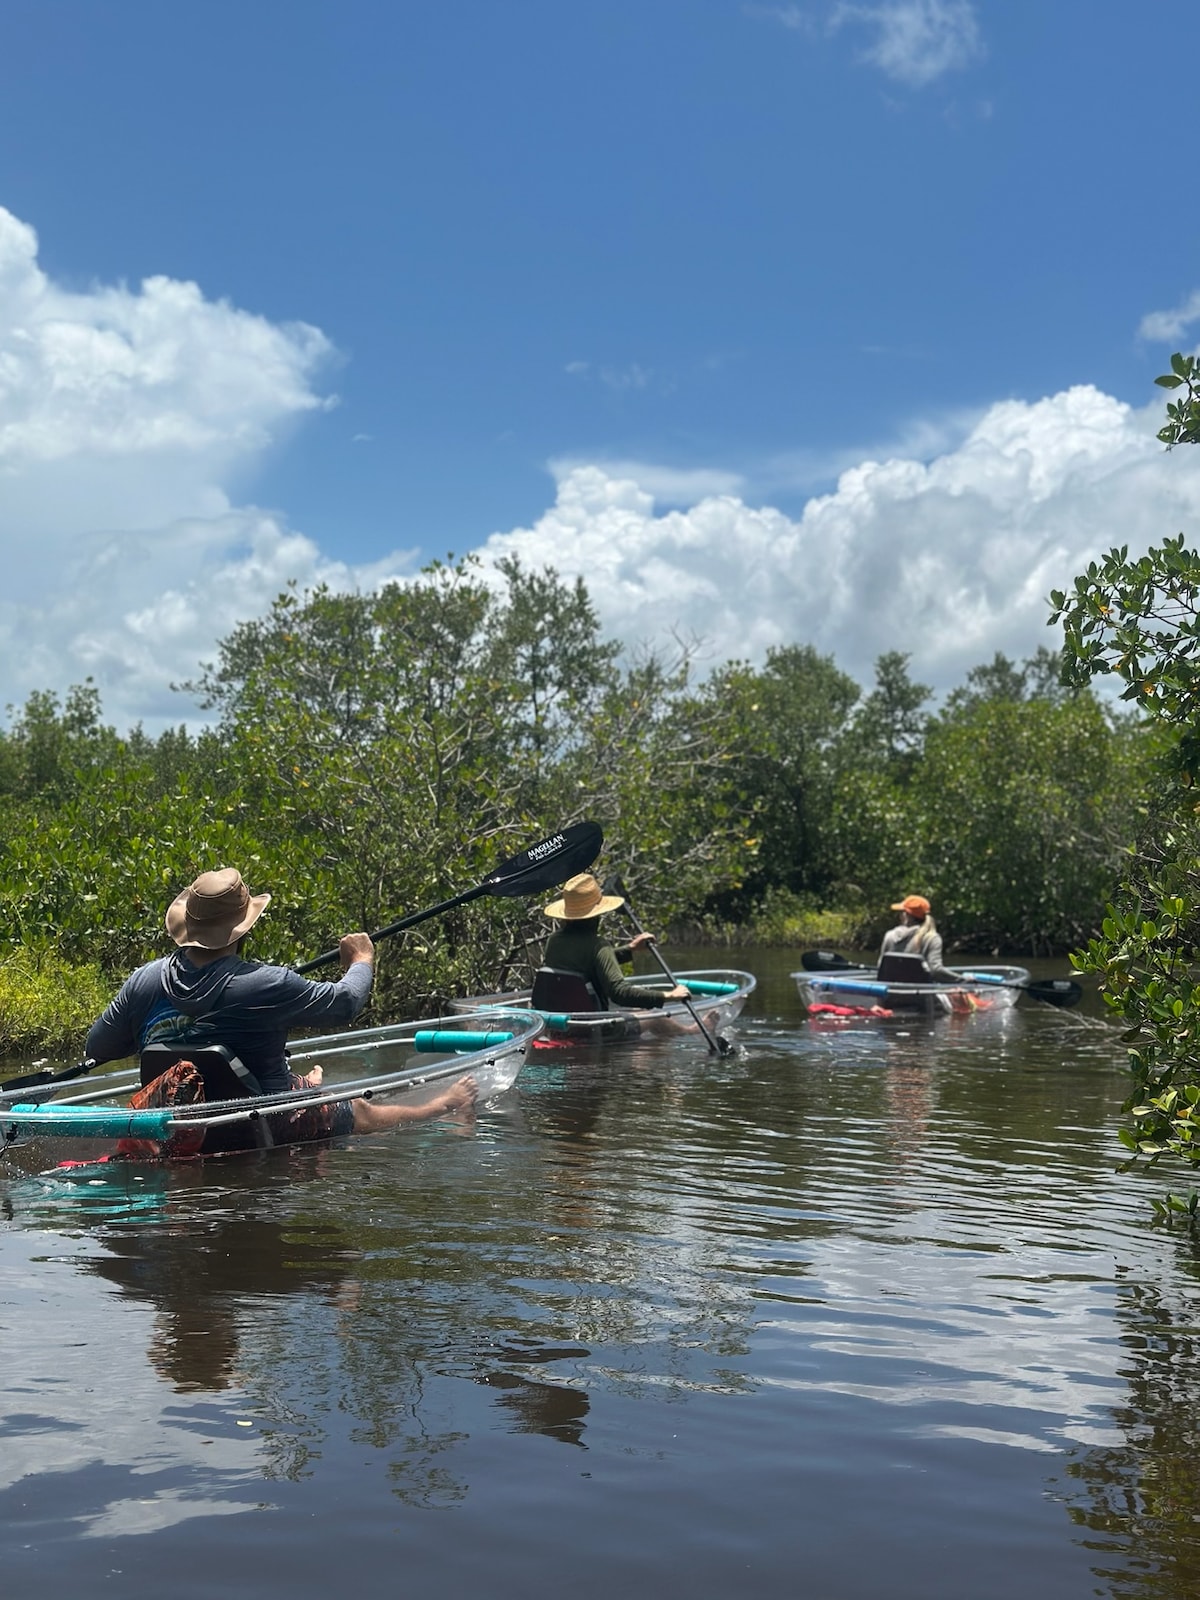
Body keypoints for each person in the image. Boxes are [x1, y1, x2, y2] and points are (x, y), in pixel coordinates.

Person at [85, 867, 475, 1136]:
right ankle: (446, 1104)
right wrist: (361, 960)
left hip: (174, 1123)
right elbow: (346, 1003)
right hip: (261, 1122)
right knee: (357, 1108)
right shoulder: (267, 984)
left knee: (296, 1080)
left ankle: (306, 1084)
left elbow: (98, 1047)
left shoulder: (143, 981)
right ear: (243, 928)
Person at [540, 874, 689, 1009]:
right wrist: (669, 996)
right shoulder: (597, 945)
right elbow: (619, 992)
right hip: (596, 1028)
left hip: (566, 1024)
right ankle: (691, 1030)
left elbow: (590, 964)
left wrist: (630, 949)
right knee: (658, 1021)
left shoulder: (554, 941)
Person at [879, 893, 957, 982]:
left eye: (901, 912)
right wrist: (963, 980)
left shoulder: (889, 935)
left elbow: (881, 967)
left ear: (906, 916)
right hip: (920, 994)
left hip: (890, 993)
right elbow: (936, 970)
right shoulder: (932, 938)